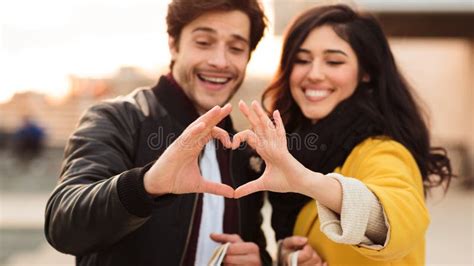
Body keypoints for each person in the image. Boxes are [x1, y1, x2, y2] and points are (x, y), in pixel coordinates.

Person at [44, 1, 272, 265]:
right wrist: (145, 186)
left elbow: (255, 241)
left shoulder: (242, 153)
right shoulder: (118, 118)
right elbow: (63, 225)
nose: (220, 61)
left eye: (236, 48)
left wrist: (260, 261)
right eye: (203, 42)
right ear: (173, 44)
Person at [232, 4, 454, 265]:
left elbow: (398, 219)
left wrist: (306, 181)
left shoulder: (381, 150)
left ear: (367, 73)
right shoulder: (302, 146)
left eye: (334, 61)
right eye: (302, 60)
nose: (314, 74)